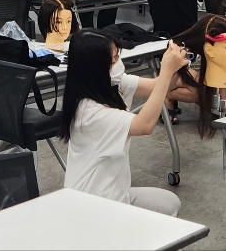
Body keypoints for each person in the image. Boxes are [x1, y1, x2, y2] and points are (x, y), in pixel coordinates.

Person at [61, 30, 188, 216]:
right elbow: (144, 125)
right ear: (95, 67)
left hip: (116, 194)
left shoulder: (113, 82)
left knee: (169, 204)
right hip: (91, 206)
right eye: (113, 60)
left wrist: (178, 66)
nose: (118, 63)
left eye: (117, 56)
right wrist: (167, 70)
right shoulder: (88, 112)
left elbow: (157, 86)